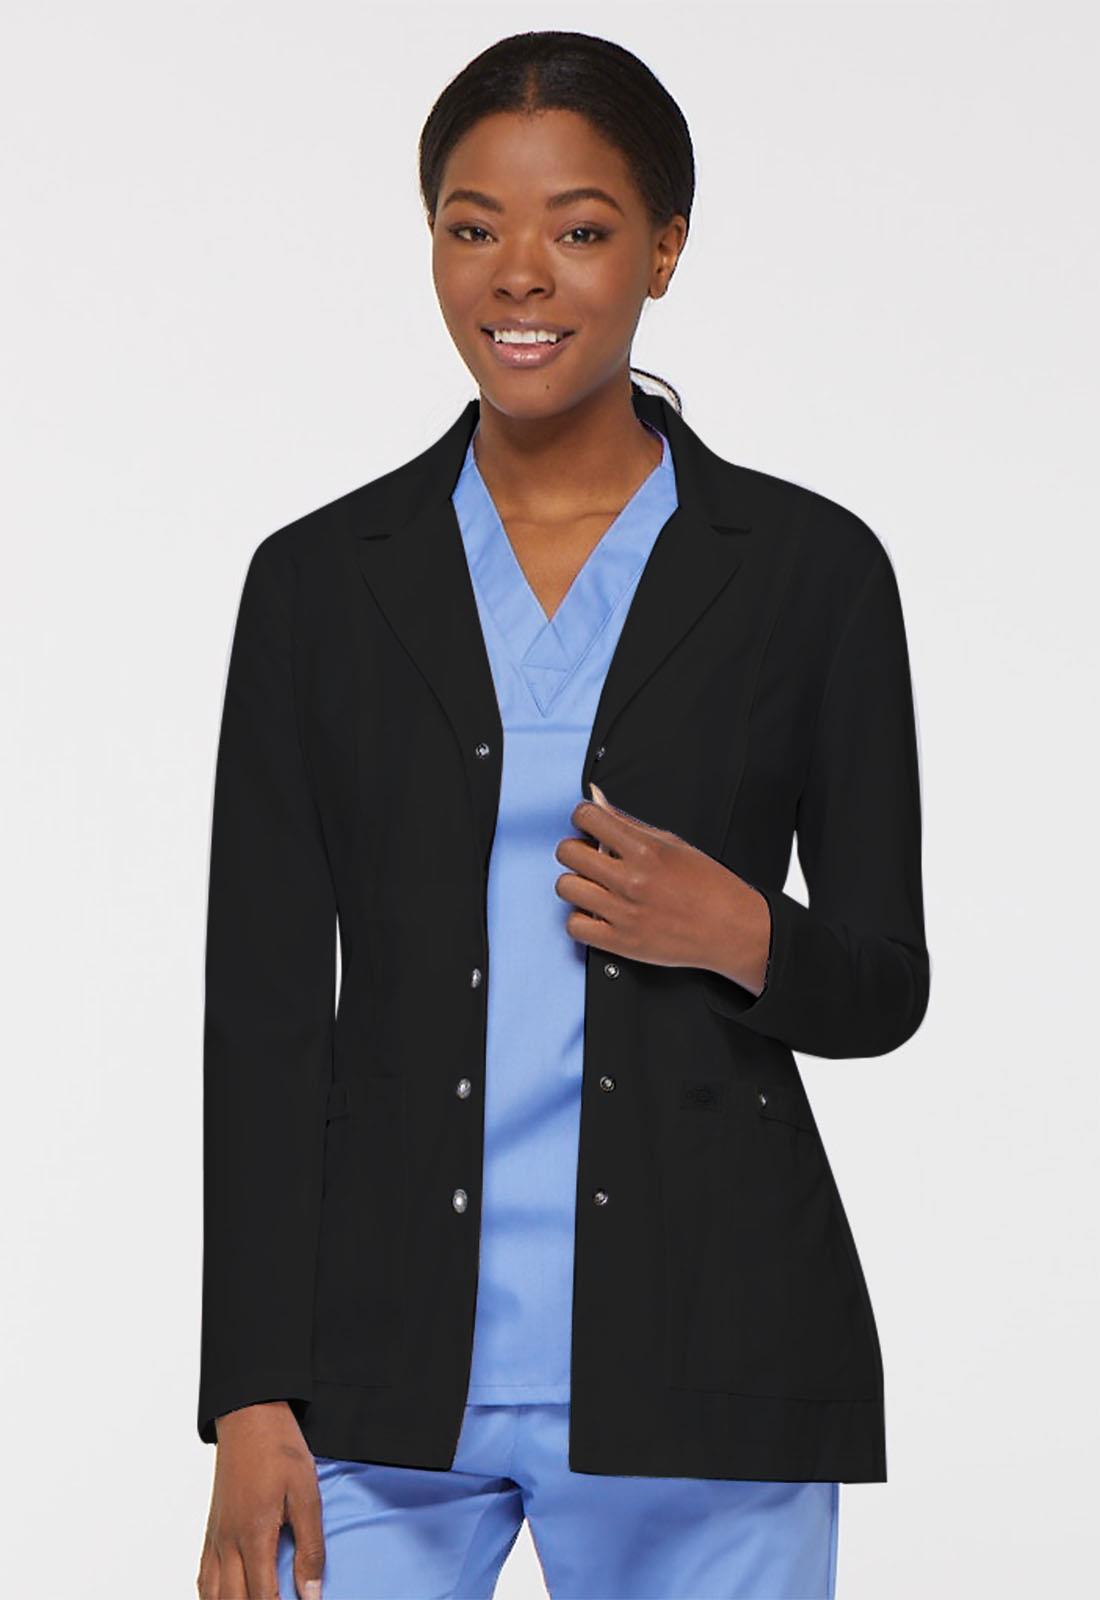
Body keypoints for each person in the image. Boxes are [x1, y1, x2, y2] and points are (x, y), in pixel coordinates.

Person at [196, 28, 929, 1600]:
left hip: (715, 1363)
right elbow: (264, 1022)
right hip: (375, 1374)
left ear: (664, 248)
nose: (519, 274)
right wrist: (251, 1396)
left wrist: (742, 931)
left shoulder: (808, 574)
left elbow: (884, 982)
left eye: (580, 229)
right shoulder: (318, 587)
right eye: (473, 227)